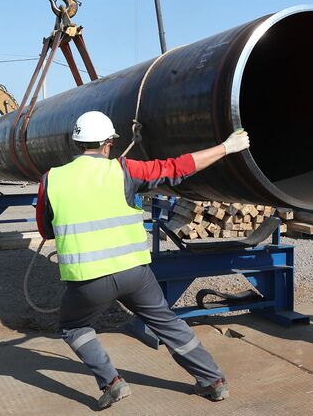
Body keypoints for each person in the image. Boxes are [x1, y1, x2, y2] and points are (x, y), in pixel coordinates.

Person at [36, 111, 249, 409]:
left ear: (76, 143)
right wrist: (227, 147)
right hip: (134, 274)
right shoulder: (125, 170)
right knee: (166, 323)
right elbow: (177, 168)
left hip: (88, 280)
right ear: (108, 143)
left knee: (74, 327)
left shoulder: (52, 179)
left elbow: (45, 230)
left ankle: (112, 383)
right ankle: (212, 381)